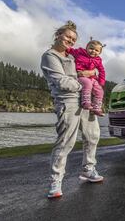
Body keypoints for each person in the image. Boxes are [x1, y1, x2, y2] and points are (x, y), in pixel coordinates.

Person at [41, 20, 104, 199]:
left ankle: (88, 169)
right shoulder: (50, 56)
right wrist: (85, 82)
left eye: (74, 39)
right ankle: (55, 180)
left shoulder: (72, 56)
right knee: (65, 142)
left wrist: (91, 75)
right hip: (67, 102)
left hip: (86, 101)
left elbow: (92, 69)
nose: (70, 40)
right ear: (58, 34)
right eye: (68, 36)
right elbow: (61, 81)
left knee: (93, 136)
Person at [67, 38, 106, 116]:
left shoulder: (98, 60)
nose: (93, 51)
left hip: (92, 78)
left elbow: (101, 70)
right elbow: (70, 50)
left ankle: (96, 108)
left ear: (100, 52)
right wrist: (65, 49)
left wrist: (101, 81)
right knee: (87, 83)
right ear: (87, 47)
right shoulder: (80, 52)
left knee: (100, 91)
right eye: (91, 48)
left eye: (96, 50)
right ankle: (85, 102)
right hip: (80, 75)